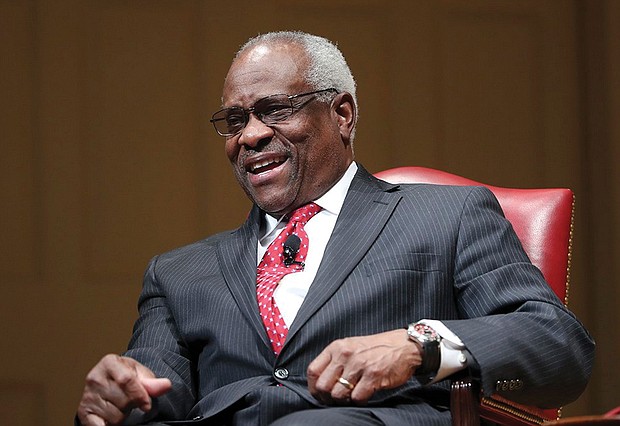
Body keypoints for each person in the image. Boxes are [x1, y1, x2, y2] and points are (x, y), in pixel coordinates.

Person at [76, 31, 594, 426]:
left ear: (342, 114)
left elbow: (559, 347)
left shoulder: (447, 218)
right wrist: (116, 396)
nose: (250, 136)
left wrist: (418, 346)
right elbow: (150, 391)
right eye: (234, 122)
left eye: (274, 110)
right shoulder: (178, 272)